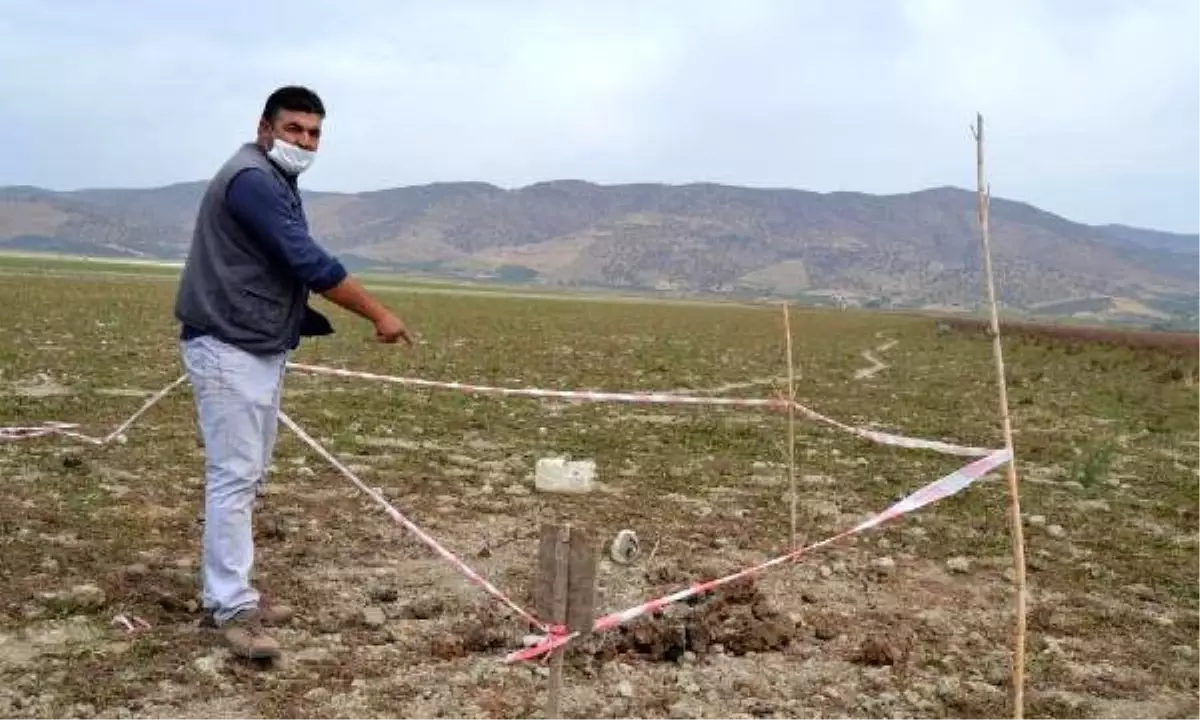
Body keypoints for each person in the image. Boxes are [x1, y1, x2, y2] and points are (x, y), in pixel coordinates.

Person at [173, 85, 413, 660]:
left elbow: (279, 262)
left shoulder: (275, 179)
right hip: (229, 344)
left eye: (313, 133)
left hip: (254, 342)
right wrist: (377, 312)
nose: (305, 142)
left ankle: (235, 592)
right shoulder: (253, 179)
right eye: (295, 130)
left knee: (248, 475)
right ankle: (231, 607)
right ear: (265, 128)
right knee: (233, 477)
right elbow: (304, 258)